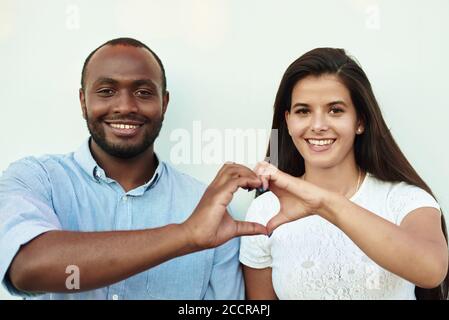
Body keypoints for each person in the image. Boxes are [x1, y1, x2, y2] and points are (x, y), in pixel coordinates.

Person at [0, 37, 267, 300]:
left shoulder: (210, 208)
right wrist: (186, 235)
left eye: (143, 92)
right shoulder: (35, 179)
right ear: (83, 101)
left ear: (165, 103)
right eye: (106, 91)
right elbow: (25, 268)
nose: (126, 106)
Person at [240, 48, 449, 300]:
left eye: (335, 110)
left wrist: (323, 203)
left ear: (359, 120)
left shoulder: (406, 200)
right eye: (303, 111)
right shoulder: (265, 212)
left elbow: (431, 269)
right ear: (288, 121)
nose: (317, 126)